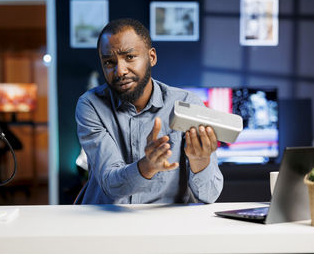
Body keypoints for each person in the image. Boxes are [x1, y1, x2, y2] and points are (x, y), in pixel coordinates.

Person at [75, 18, 223, 204]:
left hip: (166, 225)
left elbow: (210, 196)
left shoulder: (187, 104)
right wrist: (147, 166)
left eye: (129, 57)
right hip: (109, 222)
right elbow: (111, 185)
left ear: (151, 57)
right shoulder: (91, 105)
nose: (120, 70)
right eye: (109, 62)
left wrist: (201, 161)